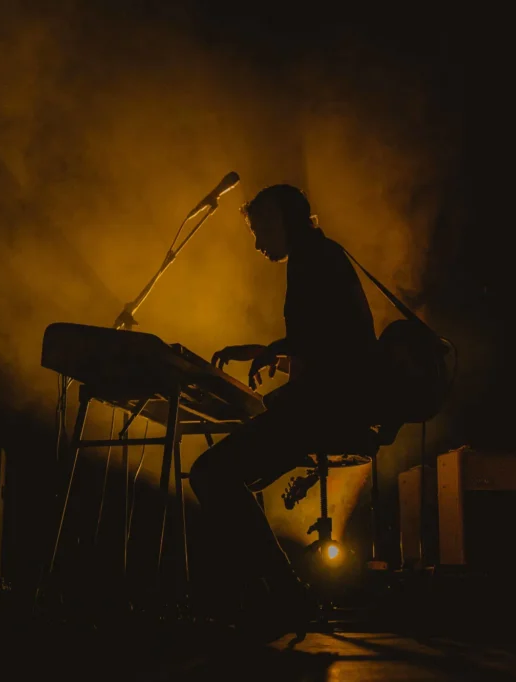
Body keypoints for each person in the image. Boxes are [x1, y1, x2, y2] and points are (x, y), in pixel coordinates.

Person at [188, 184, 380, 638]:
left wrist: (274, 349)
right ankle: (262, 595)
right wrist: (269, 351)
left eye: (259, 229)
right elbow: (328, 342)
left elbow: (327, 344)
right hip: (331, 405)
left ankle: (283, 594)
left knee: (211, 474)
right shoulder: (321, 255)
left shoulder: (313, 259)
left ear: (281, 220)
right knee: (233, 478)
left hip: (324, 410)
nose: (257, 243)